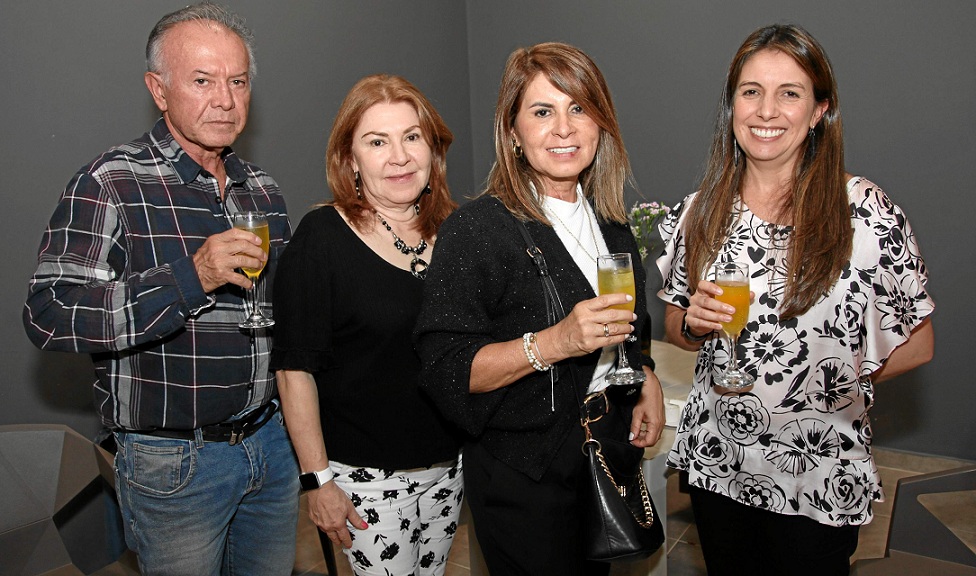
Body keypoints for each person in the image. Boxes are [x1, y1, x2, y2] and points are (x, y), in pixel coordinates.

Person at [22, 4, 298, 575]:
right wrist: (188, 278)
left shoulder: (261, 191)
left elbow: (281, 313)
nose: (225, 98)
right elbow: (49, 314)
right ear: (159, 89)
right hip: (174, 461)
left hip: (270, 445)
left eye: (237, 81)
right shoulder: (110, 182)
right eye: (202, 80)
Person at [657, 24, 935, 576]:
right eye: (751, 91)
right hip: (720, 461)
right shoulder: (700, 211)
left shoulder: (866, 213)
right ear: (731, 105)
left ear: (818, 111)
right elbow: (675, 325)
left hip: (819, 467)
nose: (767, 110)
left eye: (790, 93)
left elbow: (919, 345)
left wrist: (832, 384)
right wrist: (691, 324)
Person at [414, 42, 666, 576]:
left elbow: (632, 327)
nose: (564, 129)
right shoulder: (477, 230)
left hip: (600, 458)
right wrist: (556, 342)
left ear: (601, 124)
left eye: (579, 108)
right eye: (543, 111)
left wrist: (645, 376)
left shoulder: (613, 224)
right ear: (513, 130)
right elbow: (446, 371)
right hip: (524, 477)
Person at [271, 74, 462, 576]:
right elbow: (294, 372)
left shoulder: (458, 233)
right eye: (377, 142)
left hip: (450, 468)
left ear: (432, 149)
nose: (399, 157)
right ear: (350, 159)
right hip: (366, 479)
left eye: (412, 137)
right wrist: (318, 481)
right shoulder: (321, 239)